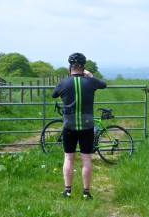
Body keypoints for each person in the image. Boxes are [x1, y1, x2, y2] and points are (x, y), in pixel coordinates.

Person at [52, 52, 107, 199]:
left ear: (70, 66)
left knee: (69, 158)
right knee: (86, 159)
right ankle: (86, 193)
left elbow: (54, 95)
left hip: (69, 124)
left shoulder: (64, 82)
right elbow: (103, 84)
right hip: (87, 125)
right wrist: (90, 76)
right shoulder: (91, 81)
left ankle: (67, 191)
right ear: (84, 67)